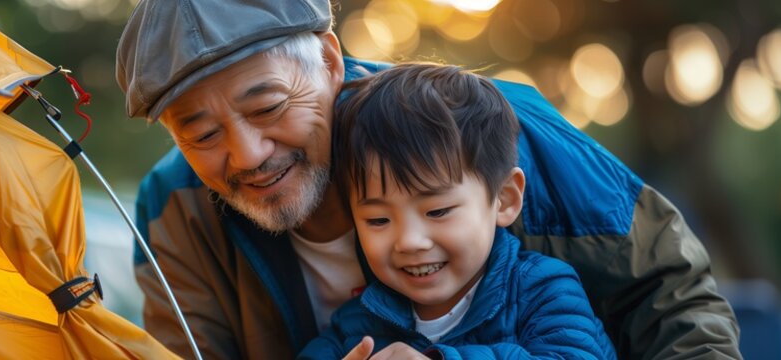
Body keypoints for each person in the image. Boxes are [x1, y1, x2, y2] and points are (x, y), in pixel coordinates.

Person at [115, 0, 740, 359]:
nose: (246, 154)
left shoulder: (485, 133)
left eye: (267, 106)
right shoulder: (174, 211)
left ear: (330, 61)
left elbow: (669, 294)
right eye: (200, 133)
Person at [298, 63, 616, 359]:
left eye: (437, 211)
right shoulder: (355, 324)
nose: (409, 241)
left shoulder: (542, 290)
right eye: (378, 220)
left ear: (504, 199)